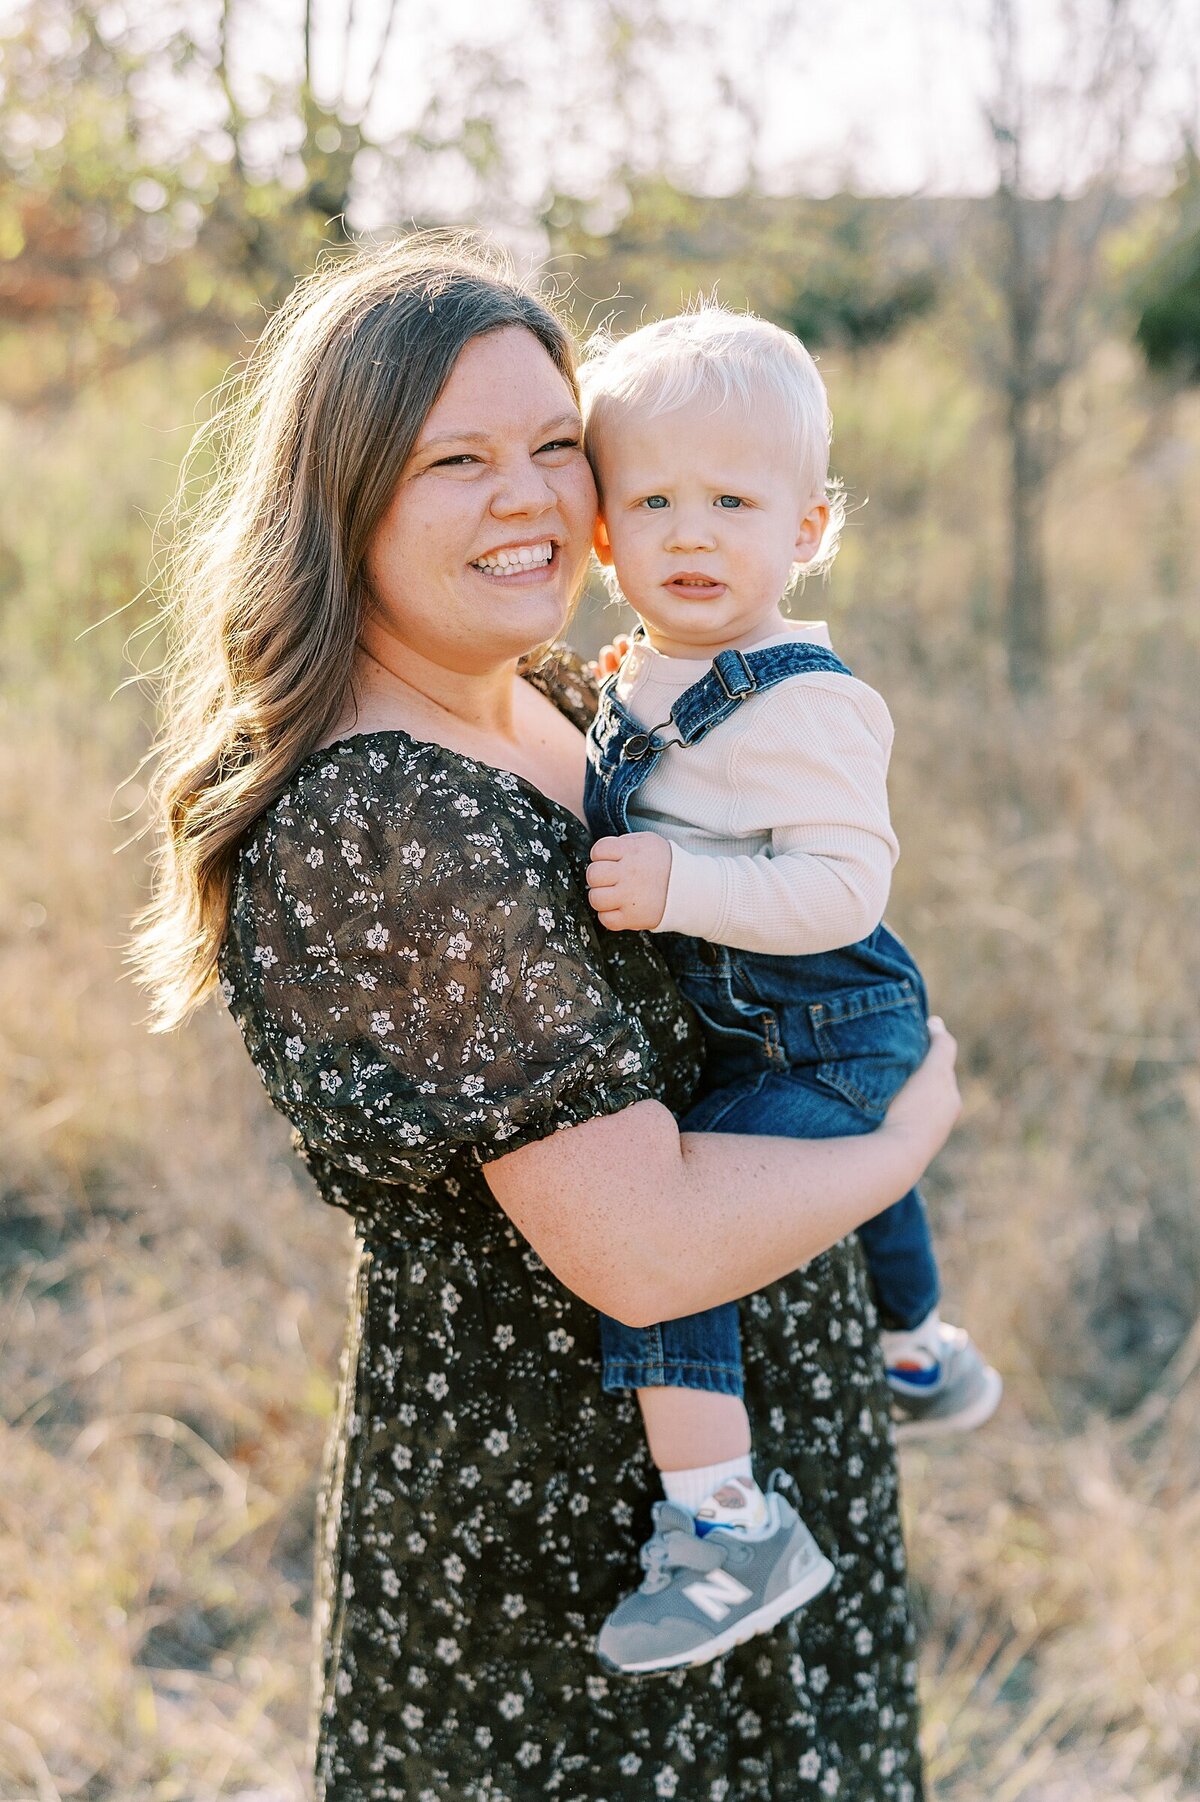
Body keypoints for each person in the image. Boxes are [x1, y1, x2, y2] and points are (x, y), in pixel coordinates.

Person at [132, 235, 961, 1802]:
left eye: (554, 447)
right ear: (348, 492)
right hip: (570, 1570)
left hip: (743, 1478)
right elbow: (644, 1246)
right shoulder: (389, 815)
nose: (528, 498)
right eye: (458, 458)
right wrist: (909, 1128)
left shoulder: (571, 698)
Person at [577, 306, 1000, 1674]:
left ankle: (724, 1523)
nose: (691, 534)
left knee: (678, 1231)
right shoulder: (641, 673)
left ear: (809, 528)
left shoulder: (809, 700)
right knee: (860, 1189)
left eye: (732, 501)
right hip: (769, 1024)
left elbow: (843, 893)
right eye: (652, 499)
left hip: (831, 1027)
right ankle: (922, 1344)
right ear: (602, 536)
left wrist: (677, 888)